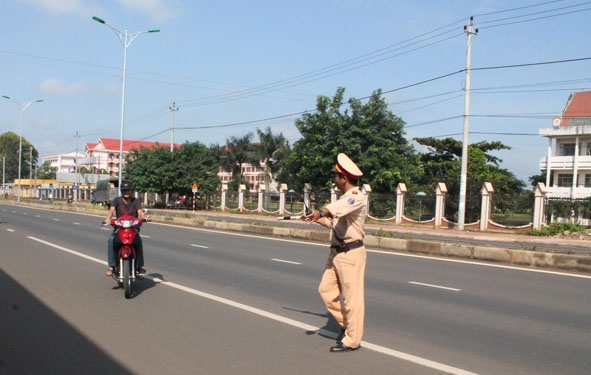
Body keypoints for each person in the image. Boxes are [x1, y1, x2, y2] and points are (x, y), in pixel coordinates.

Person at [303, 153, 367, 353]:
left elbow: (336, 209)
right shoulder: (344, 198)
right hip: (336, 253)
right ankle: (347, 325)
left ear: (344, 178)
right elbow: (334, 222)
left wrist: (321, 211)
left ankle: (352, 340)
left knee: (352, 299)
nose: (335, 180)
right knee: (326, 290)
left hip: (351, 253)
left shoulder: (356, 197)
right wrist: (316, 218)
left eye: (336, 177)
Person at [104, 181, 149, 276]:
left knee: (139, 242)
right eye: (124, 190)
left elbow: (140, 212)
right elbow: (111, 210)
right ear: (121, 191)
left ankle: (140, 265)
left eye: (128, 190)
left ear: (131, 191)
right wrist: (108, 219)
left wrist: (143, 217)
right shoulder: (116, 200)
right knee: (111, 240)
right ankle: (111, 266)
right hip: (119, 228)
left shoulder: (136, 201)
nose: (126, 192)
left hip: (133, 228)